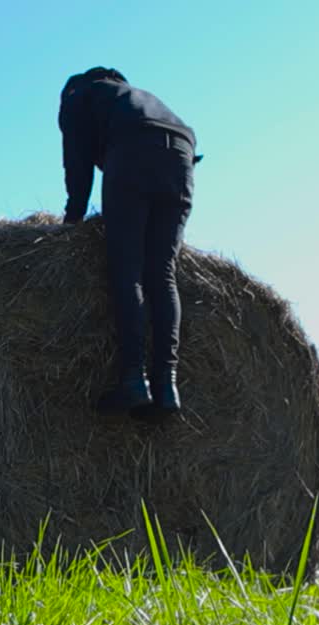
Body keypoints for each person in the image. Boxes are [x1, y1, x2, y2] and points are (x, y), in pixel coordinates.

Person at [58, 67, 199, 418]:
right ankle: (167, 386)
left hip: (135, 150)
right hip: (182, 155)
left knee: (128, 268)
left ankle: (133, 380)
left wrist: (70, 225)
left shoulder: (79, 97)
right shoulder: (140, 98)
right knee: (163, 273)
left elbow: (78, 168)